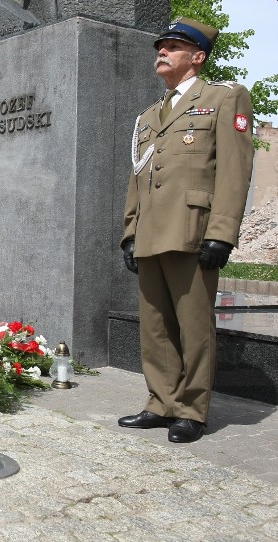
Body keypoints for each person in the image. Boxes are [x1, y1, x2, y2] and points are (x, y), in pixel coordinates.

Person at [119, 17, 254, 443]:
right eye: (161, 46)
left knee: (194, 326)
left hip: (192, 230)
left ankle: (192, 410)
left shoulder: (223, 98)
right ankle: (160, 402)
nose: (162, 51)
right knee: (154, 325)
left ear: (197, 57)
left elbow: (235, 171)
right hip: (150, 233)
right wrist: (129, 231)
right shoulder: (148, 115)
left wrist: (223, 232)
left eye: (174, 47)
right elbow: (139, 177)